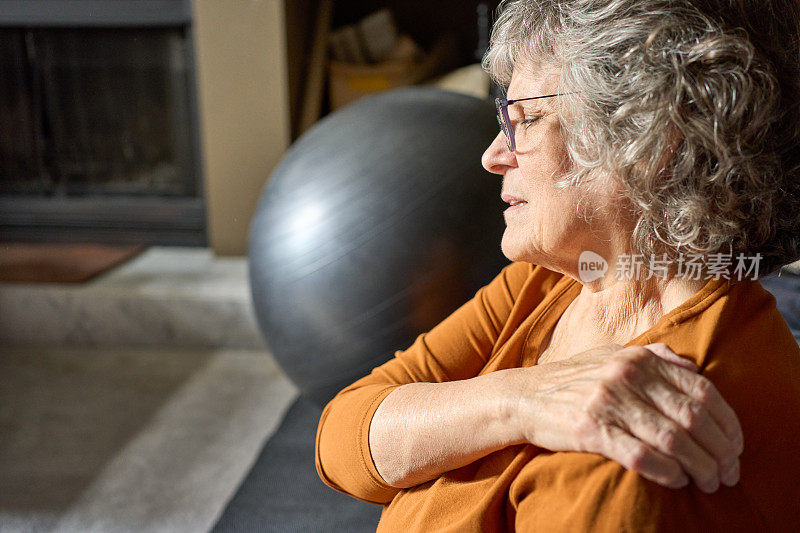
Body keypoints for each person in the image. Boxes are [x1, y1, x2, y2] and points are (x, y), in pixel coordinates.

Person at [315, 0, 800, 530]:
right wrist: (520, 399)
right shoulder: (565, 278)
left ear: (652, 139)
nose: (494, 155)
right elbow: (343, 436)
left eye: (525, 118)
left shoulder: (640, 445)